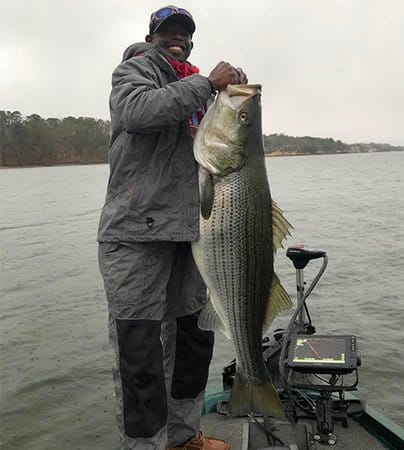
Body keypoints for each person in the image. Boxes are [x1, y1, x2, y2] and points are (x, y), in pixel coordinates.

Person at [97, 5, 248, 450]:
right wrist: (205, 84)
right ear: (152, 37)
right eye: (168, 33)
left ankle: (185, 438)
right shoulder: (134, 71)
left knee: (192, 344)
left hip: (191, 237)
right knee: (141, 354)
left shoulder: (201, 92)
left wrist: (232, 99)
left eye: (184, 33)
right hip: (135, 237)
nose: (177, 39)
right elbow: (137, 113)